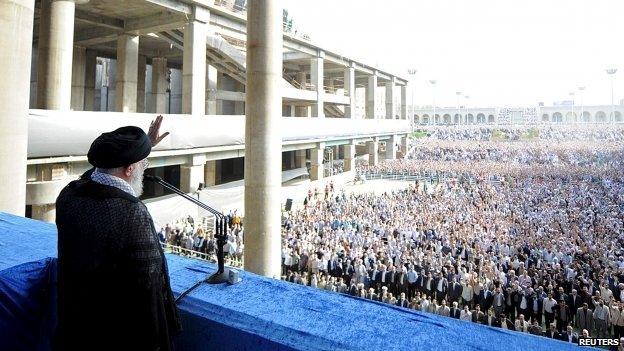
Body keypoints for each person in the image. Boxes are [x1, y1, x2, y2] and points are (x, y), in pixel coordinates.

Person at [56, 117, 180, 350]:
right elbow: (150, 286)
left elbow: (95, 174)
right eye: (143, 164)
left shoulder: (68, 196)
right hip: (117, 337)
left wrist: (143, 148)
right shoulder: (132, 213)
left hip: (73, 328)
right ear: (129, 169)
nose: (145, 169)